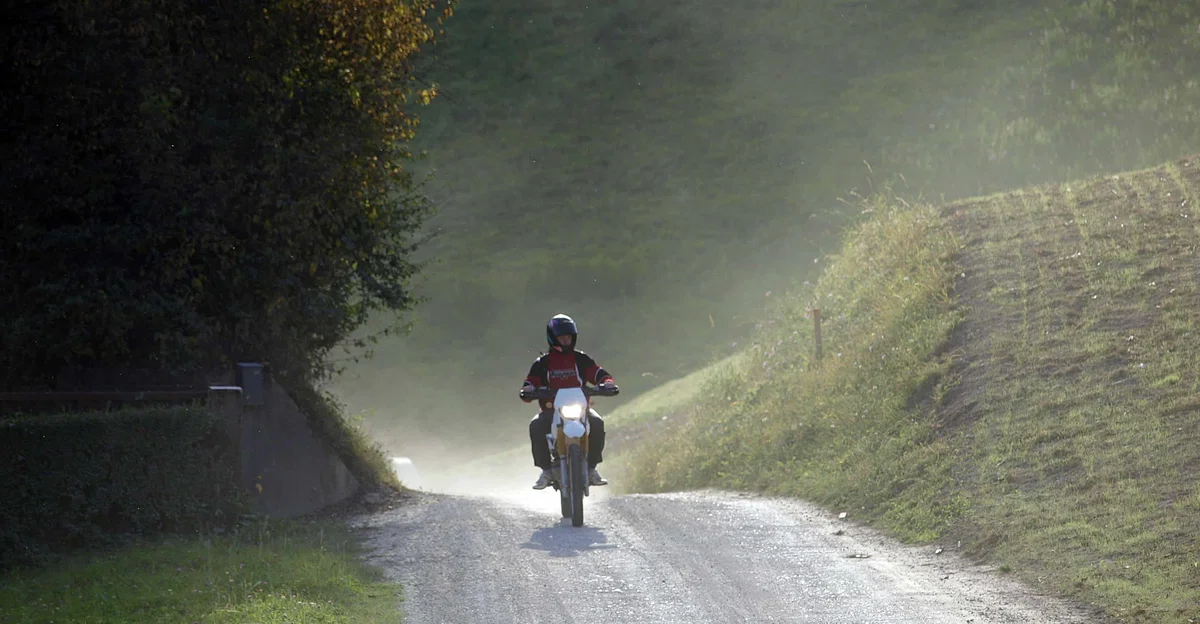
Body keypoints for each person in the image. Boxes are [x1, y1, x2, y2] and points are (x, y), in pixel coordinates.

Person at [521, 313, 618, 490]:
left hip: (581, 410)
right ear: (553, 338)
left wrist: (607, 383)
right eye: (562, 337)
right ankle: (546, 471)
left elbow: (598, 373)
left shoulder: (581, 359)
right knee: (536, 426)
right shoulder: (542, 363)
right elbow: (530, 381)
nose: (566, 340)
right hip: (551, 411)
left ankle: (591, 469)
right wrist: (528, 389)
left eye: (569, 337)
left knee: (597, 423)